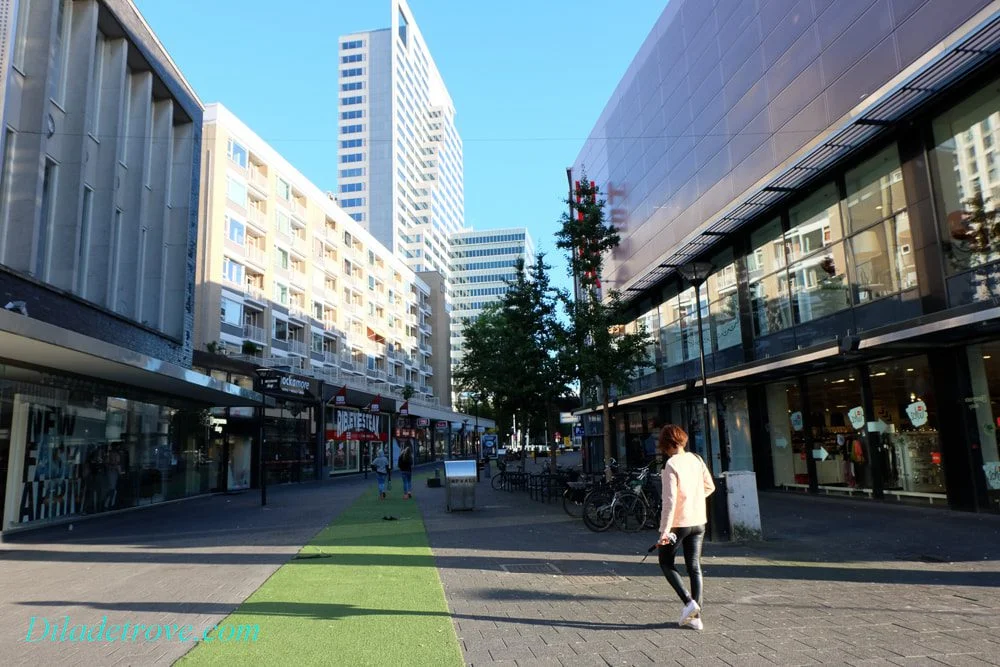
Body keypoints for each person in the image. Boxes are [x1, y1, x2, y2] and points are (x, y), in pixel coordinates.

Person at [656, 424, 715, 632]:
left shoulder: (671, 465)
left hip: (678, 524)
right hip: (699, 521)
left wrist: (664, 531)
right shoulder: (696, 459)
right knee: (694, 566)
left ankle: (689, 602)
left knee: (665, 562)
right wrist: (694, 500)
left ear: (665, 444)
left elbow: (670, 502)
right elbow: (710, 486)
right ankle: (696, 617)